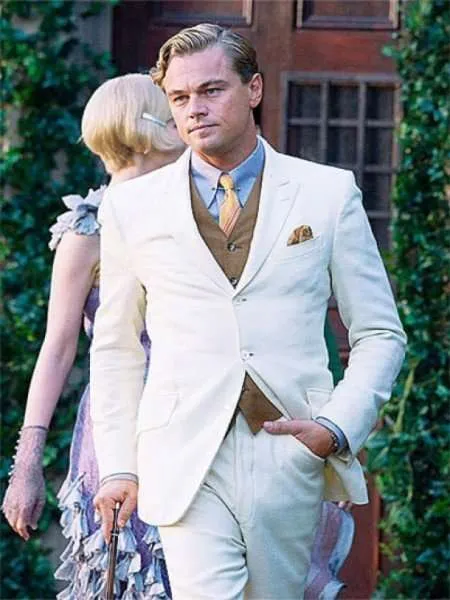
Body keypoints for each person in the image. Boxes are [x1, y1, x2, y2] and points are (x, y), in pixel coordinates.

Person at [91, 23, 406, 599]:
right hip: (183, 454)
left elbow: (381, 333)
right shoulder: (131, 207)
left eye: (211, 90)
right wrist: (118, 465)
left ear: (254, 89)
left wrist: (336, 427)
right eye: (179, 97)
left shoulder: (326, 193)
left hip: (288, 447)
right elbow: (115, 346)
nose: (194, 109)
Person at [2, 73, 184, 599]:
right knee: (129, 574)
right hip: (118, 423)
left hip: (195, 412)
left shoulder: (193, 213)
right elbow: (57, 348)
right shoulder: (88, 230)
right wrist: (27, 465)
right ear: (146, 131)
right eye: (173, 111)